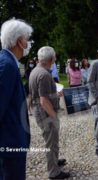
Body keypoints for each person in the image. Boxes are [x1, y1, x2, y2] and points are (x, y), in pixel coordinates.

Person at [29, 46, 70, 179]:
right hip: (46, 113)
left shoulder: (36, 70)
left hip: (42, 111)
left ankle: (54, 161)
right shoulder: (44, 74)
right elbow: (43, 100)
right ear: (51, 59)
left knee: (52, 140)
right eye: (55, 57)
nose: (55, 59)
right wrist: (54, 117)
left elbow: (40, 94)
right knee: (50, 142)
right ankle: (53, 172)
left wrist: (56, 94)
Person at [0, 18, 32, 180]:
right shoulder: (7, 65)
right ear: (20, 41)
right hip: (9, 144)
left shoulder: (10, 63)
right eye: (27, 38)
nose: (28, 42)